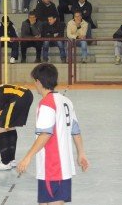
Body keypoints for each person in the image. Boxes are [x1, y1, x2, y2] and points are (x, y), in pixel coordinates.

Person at [17, 63, 89, 205]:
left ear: (38, 81)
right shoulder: (66, 101)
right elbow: (76, 131)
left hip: (52, 166)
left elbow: (45, 134)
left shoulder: (46, 104)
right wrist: (81, 153)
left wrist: (27, 157)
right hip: (63, 167)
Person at [0, 84, 33, 171]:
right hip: (26, 95)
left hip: (19, 97)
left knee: (3, 127)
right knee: (9, 127)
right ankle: (11, 160)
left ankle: (5, 162)